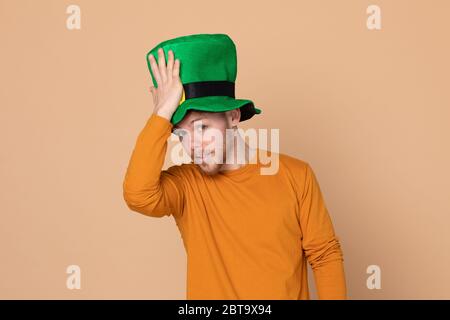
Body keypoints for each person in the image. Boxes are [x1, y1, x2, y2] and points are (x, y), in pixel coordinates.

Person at [123, 34, 347, 299]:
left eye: (202, 127)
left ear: (233, 116)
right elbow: (138, 195)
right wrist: (161, 115)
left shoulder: (296, 175)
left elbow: (324, 255)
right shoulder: (185, 185)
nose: (192, 145)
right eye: (180, 134)